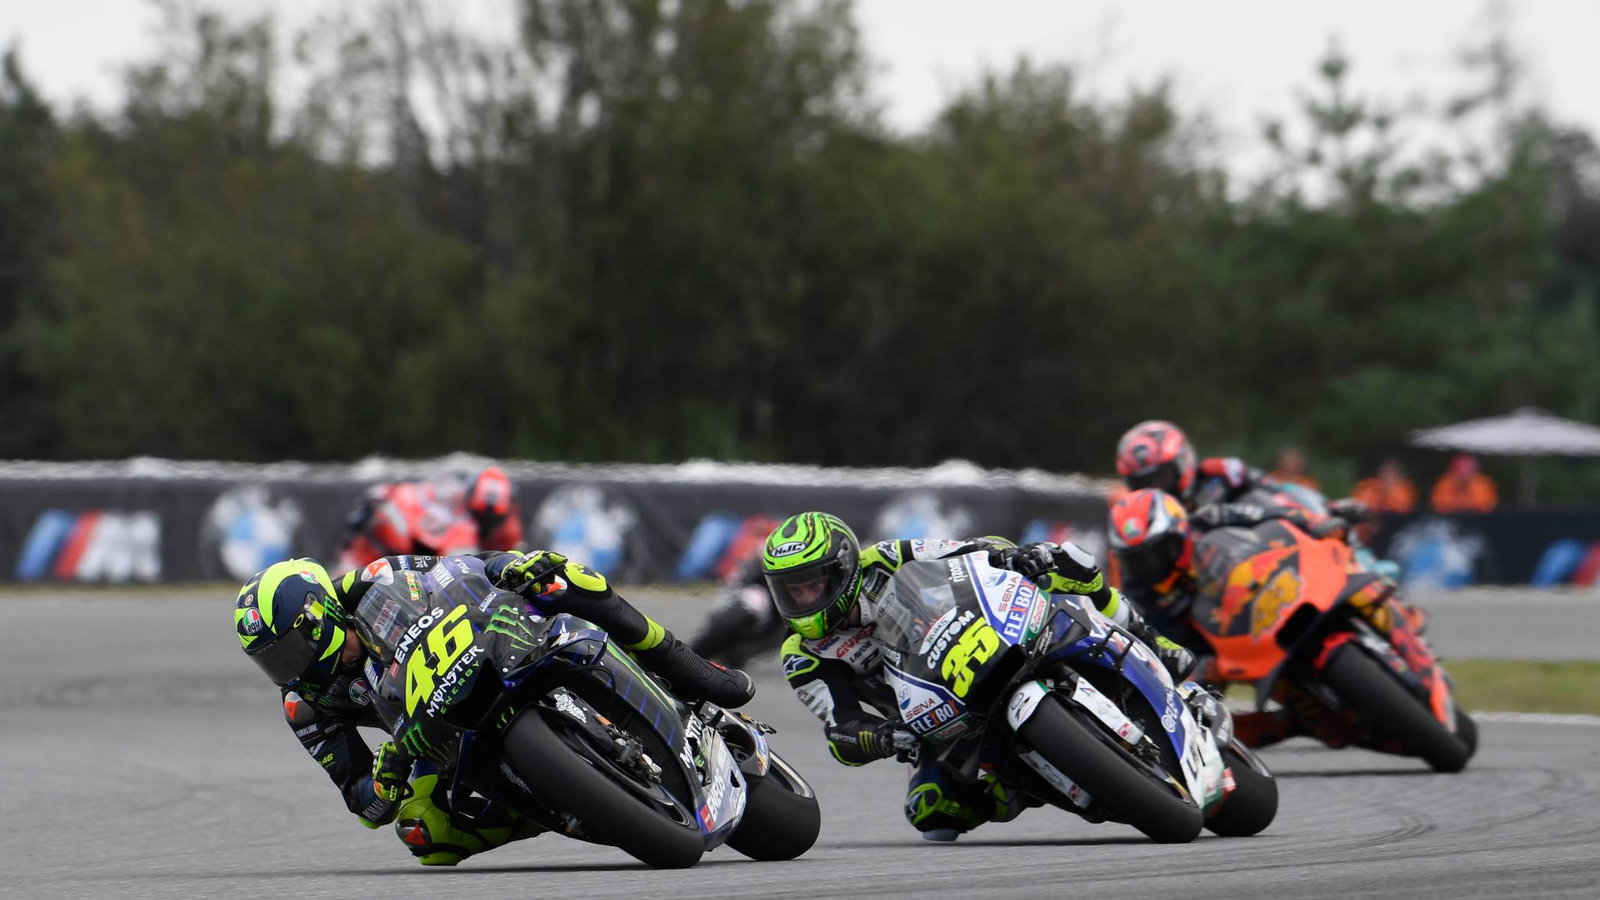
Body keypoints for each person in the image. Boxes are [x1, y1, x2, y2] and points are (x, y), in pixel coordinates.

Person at [233, 550, 752, 866]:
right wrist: (385, 783)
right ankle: (568, 803)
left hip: (486, 645)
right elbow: (361, 799)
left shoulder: (373, 579)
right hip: (428, 732)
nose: (288, 668)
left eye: (289, 650)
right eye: (271, 661)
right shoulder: (305, 704)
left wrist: (509, 567)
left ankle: (690, 669)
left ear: (319, 613)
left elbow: (460, 570)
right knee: (424, 833)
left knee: (561, 577)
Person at [764, 511, 1197, 842]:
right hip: (932, 721)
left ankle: (1150, 640)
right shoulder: (802, 655)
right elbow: (841, 727)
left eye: (812, 584)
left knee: (1069, 565)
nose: (803, 599)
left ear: (843, 568)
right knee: (931, 813)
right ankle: (1024, 786)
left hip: (979, 639)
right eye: (791, 590)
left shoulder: (887, 558)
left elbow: (969, 551)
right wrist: (879, 738)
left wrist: (1013, 557)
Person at [1115, 419, 1277, 510]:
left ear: (1182, 462)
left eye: (1162, 477)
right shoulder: (1133, 515)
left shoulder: (1220, 473)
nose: (1156, 489)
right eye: (1143, 483)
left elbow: (1276, 494)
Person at [1430, 454, 1499, 514]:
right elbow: (1439, 505)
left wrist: (1470, 488)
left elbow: (1487, 506)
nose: (1464, 471)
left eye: (1467, 468)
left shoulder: (1483, 482)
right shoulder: (1445, 482)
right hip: (1450, 518)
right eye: (1460, 468)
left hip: (1477, 518)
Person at [1352, 458, 1419, 515]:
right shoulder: (1367, 486)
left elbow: (1405, 510)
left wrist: (1389, 493)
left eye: (1392, 473)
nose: (1388, 476)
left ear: (1399, 475)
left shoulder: (1405, 489)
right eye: (1385, 472)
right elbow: (1359, 507)